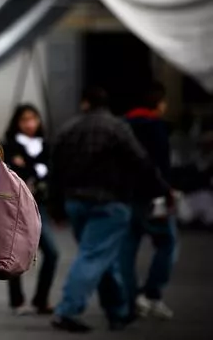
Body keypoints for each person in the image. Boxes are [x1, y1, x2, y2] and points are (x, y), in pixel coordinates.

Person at [49, 87, 167, 333]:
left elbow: (55, 170)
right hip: (111, 202)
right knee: (94, 255)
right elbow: (141, 160)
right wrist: (162, 189)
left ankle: (118, 311)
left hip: (75, 202)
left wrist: (56, 206)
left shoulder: (68, 129)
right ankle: (67, 310)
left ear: (85, 103)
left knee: (101, 256)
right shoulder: (117, 128)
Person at [121, 83, 177, 320]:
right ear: (158, 103)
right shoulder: (156, 128)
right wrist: (166, 190)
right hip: (152, 196)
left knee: (128, 249)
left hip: (126, 196)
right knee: (167, 243)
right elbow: (160, 165)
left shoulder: (122, 125)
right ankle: (152, 294)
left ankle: (130, 299)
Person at [3, 104, 59, 315]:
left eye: (33, 119)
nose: (30, 124)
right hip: (17, 207)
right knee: (15, 253)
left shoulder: (45, 144)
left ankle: (41, 299)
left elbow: (52, 174)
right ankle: (17, 301)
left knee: (52, 253)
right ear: (17, 123)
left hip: (41, 206)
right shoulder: (10, 146)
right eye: (25, 120)